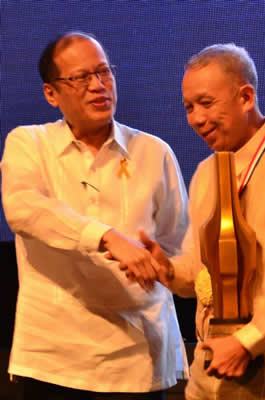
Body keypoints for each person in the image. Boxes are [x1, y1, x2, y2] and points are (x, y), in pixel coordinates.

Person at [120, 44, 265, 399]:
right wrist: (167, 270)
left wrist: (246, 342)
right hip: (213, 375)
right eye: (189, 107)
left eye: (206, 103)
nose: (195, 118)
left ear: (245, 97)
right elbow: (200, 274)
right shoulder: (207, 172)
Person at [1, 31, 189, 399]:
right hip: (56, 361)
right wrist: (108, 238)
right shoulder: (29, 143)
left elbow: (178, 244)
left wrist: (164, 267)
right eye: (81, 78)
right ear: (51, 93)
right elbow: (24, 209)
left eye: (104, 72)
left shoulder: (153, 152)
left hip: (139, 360)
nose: (98, 86)